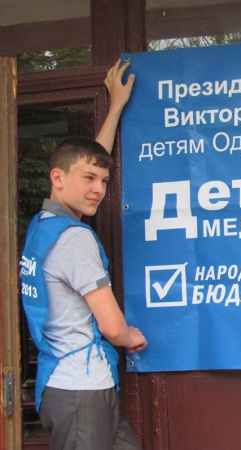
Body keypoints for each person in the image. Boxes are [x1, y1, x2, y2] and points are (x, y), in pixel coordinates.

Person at [19, 59, 146, 450]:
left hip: (75, 385)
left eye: (104, 181)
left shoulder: (43, 226)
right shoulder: (74, 239)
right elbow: (111, 327)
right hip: (80, 391)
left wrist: (115, 106)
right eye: (90, 179)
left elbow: (89, 160)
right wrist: (130, 336)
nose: (99, 189)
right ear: (57, 178)